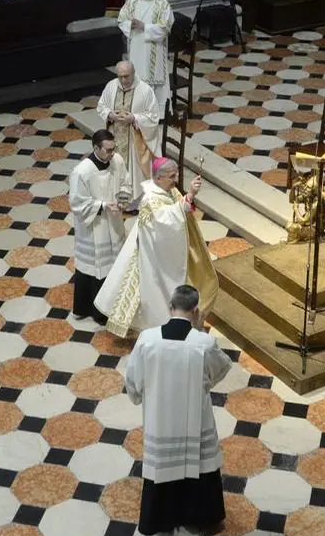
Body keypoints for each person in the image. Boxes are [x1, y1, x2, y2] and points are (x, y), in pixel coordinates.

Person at [125, 284, 232, 536]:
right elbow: (221, 369)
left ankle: (160, 519)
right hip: (195, 420)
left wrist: (141, 396)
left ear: (170, 307)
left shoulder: (147, 339)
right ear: (196, 311)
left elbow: (133, 382)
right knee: (200, 467)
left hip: (160, 421)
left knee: (162, 466)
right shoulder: (203, 343)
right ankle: (201, 517)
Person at [94, 157, 218, 338]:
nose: (176, 179)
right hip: (154, 255)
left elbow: (177, 209)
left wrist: (187, 199)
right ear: (158, 178)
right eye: (172, 176)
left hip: (162, 250)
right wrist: (189, 196)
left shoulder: (168, 189)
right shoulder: (151, 199)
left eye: (176, 174)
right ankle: (159, 326)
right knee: (154, 291)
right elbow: (164, 222)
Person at [68, 129, 129, 325]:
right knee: (94, 267)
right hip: (94, 227)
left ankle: (113, 306)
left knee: (113, 266)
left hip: (114, 222)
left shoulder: (117, 161)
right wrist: (102, 206)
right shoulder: (82, 172)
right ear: (96, 148)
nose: (112, 154)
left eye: (114, 149)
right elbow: (77, 203)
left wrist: (122, 200)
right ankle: (92, 310)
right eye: (108, 150)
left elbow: (125, 183)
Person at [96, 60, 160, 205]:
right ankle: (114, 199)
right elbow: (101, 106)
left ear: (133, 73)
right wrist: (111, 115)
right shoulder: (111, 86)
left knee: (134, 174)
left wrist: (134, 118)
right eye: (120, 76)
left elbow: (154, 116)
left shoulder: (145, 90)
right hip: (115, 137)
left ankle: (133, 204)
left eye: (127, 76)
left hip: (134, 140)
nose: (123, 80)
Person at [118, 0, 173, 119]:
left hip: (154, 49)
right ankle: (137, 113)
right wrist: (131, 24)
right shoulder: (133, 2)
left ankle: (157, 114)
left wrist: (145, 27)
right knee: (137, 78)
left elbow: (165, 28)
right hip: (137, 48)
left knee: (154, 81)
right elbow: (121, 19)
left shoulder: (163, 4)